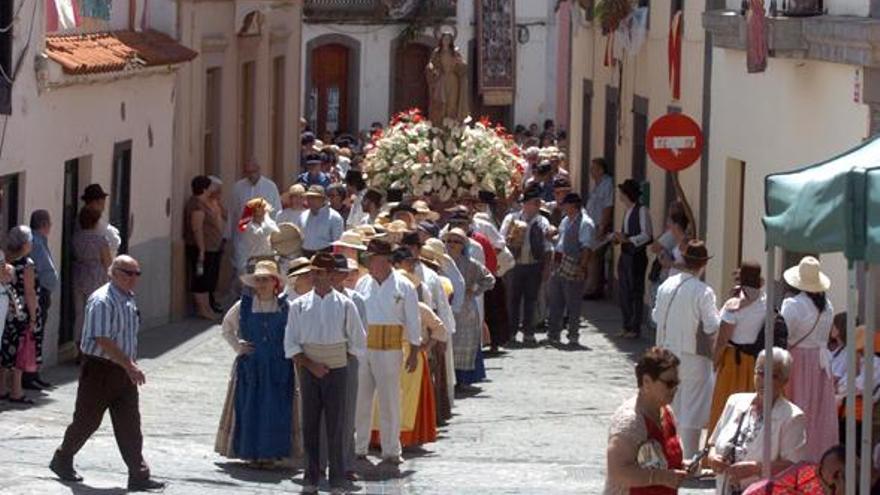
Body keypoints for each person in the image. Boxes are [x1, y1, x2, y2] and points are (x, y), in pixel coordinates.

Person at [50, 255, 165, 491]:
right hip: (101, 369)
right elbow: (102, 339)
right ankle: (62, 458)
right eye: (129, 273)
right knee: (87, 421)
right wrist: (130, 365)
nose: (135, 279)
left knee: (130, 424)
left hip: (123, 370)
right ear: (113, 273)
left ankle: (139, 475)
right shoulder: (102, 300)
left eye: (137, 274)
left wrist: (128, 366)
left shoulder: (128, 298)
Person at [285, 253, 365, 494]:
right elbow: (291, 343)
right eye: (315, 273)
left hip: (337, 369)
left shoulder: (346, 304)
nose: (318, 278)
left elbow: (357, 341)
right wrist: (311, 365)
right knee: (310, 423)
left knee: (337, 424)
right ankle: (311, 476)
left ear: (332, 276)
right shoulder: (299, 305)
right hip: (309, 369)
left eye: (323, 273)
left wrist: (337, 361)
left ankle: (338, 478)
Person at [215, 260, 294, 467]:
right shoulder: (244, 305)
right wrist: (238, 345)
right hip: (251, 366)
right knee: (249, 407)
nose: (261, 284)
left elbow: (297, 332)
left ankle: (270, 454)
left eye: (265, 280)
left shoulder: (286, 306)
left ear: (274, 282)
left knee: (275, 409)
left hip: (278, 366)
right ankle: (250, 452)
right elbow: (226, 327)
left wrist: (291, 352)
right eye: (258, 280)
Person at [354, 238, 421, 465]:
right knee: (360, 399)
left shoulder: (405, 286)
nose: (369, 263)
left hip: (391, 348)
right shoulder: (362, 284)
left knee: (390, 400)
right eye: (369, 259)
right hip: (364, 348)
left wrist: (414, 349)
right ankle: (358, 446)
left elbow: (413, 319)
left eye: (373, 258)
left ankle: (391, 449)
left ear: (385, 260)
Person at [652, 240, 720, 459]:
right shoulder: (703, 291)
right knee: (692, 408)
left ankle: (669, 454)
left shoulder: (667, 285)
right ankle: (689, 457)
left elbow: (655, 316)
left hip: (667, 354)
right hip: (693, 356)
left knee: (670, 406)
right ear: (703, 265)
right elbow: (712, 325)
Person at [708, 347, 807, 494]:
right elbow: (713, 444)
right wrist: (713, 458)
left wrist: (757, 468)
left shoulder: (792, 416)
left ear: (785, 381)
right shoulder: (735, 402)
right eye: (760, 373)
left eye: (773, 375)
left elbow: (794, 466)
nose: (764, 380)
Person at [779, 256, 838, 462]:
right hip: (821, 365)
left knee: (797, 410)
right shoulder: (828, 307)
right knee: (819, 416)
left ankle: (795, 459)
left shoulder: (793, 305)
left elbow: (784, 335)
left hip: (799, 362)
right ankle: (818, 458)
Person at [604, 346, 686, 494]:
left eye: (676, 383)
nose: (674, 389)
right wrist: (662, 477)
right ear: (647, 381)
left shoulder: (666, 411)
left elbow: (662, 461)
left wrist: (683, 467)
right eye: (669, 383)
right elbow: (618, 472)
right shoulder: (630, 421)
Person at [709, 262, 766, 433]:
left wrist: (714, 363)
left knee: (725, 409)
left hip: (733, 362)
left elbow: (722, 340)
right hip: (755, 361)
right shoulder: (765, 301)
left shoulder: (733, 306)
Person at [500, 184, 552, 346]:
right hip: (515, 265)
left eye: (538, 203)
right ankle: (511, 333)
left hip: (534, 265)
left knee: (531, 299)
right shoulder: (512, 219)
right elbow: (501, 240)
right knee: (512, 300)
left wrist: (547, 268)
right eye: (534, 202)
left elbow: (548, 246)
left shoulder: (542, 221)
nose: (537, 206)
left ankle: (529, 332)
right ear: (526, 204)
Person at [444, 228, 494, 391]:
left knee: (463, 344)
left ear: (463, 245)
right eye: (449, 241)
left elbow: (489, 279)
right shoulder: (440, 262)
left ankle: (463, 380)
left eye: (456, 241)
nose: (451, 244)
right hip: (446, 307)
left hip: (466, 310)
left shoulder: (471, 264)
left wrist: (474, 290)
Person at [0, 226, 42, 405]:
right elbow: (30, 292)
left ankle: (1, 388)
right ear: (25, 244)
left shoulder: (6, 259)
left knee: (5, 350)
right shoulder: (27, 263)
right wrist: (33, 317)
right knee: (20, 351)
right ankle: (16, 391)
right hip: (20, 312)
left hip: (6, 310)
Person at [547, 193, 595, 347]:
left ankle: (573, 334)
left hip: (573, 264)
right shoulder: (566, 220)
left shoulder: (585, 223)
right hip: (559, 263)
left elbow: (586, 247)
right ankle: (553, 333)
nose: (563, 207)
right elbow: (561, 239)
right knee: (556, 300)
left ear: (573, 206)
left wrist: (582, 267)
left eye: (565, 204)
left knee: (573, 302)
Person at [614, 179, 653, 339]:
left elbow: (647, 235)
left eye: (622, 193)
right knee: (624, 291)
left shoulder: (642, 210)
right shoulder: (627, 211)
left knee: (635, 292)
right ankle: (626, 325)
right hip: (625, 254)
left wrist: (629, 239)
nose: (620, 196)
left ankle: (635, 328)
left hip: (636, 255)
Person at [228, 159, 282, 273]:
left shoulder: (270, 186)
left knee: (262, 269)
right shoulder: (238, 187)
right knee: (242, 269)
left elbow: (276, 211)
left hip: (263, 235)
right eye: (248, 172)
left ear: (259, 171)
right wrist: (229, 235)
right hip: (243, 236)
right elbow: (233, 212)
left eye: (253, 171)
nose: (251, 175)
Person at [72, 208, 112, 355]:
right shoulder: (100, 240)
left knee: (79, 313)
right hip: (96, 275)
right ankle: (91, 349)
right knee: (94, 313)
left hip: (79, 274)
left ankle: (79, 349)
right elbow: (108, 262)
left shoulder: (75, 238)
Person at [185, 176, 223, 319]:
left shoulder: (204, 202)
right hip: (202, 248)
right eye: (210, 187)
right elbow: (197, 229)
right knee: (200, 280)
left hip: (211, 247)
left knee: (207, 280)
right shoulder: (196, 205)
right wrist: (201, 250)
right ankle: (203, 310)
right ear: (205, 188)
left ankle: (207, 308)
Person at [27, 210, 58, 389]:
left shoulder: (40, 241)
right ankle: (29, 374)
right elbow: (40, 268)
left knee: (39, 333)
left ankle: (34, 372)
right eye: (49, 223)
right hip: (39, 293)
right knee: (35, 334)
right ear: (44, 224)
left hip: (43, 291)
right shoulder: (36, 242)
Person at [584, 158, 615, 299]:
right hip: (592, 224)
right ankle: (592, 287)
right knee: (592, 256)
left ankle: (594, 289)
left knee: (595, 257)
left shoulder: (607, 183)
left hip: (599, 225)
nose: (591, 171)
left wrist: (602, 227)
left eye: (594, 168)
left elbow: (607, 206)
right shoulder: (597, 184)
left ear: (601, 170)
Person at [234, 197, 279, 275]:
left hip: (269, 262)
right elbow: (262, 233)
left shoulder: (270, 223)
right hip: (254, 264)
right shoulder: (249, 227)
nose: (264, 211)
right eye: (262, 209)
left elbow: (276, 233)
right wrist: (266, 217)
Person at [300, 186, 345, 257]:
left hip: (325, 258)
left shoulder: (334, 217)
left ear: (323, 199)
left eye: (314, 198)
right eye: (308, 197)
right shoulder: (303, 215)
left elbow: (338, 244)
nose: (310, 201)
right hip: (305, 256)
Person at [206, 176, 228, 313]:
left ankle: (213, 299)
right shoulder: (205, 204)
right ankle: (209, 302)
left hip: (218, 242)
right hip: (209, 244)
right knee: (208, 275)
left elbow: (226, 216)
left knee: (214, 275)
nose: (220, 193)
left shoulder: (216, 203)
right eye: (217, 190)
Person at [80, 184, 122, 257]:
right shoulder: (90, 221)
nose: (103, 203)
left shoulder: (97, 221)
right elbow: (114, 242)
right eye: (100, 200)